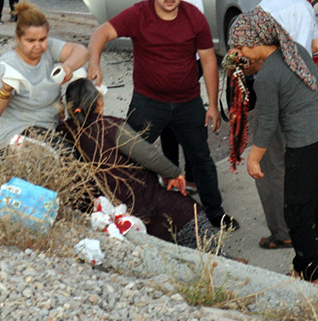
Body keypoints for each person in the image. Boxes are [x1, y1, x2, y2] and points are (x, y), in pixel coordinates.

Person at [88, 0, 237, 230]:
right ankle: (127, 208)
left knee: (201, 158)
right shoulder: (138, 14)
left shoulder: (194, 18)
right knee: (130, 156)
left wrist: (213, 104)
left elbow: (209, 60)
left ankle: (216, 214)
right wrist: (95, 63)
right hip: (147, 103)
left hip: (188, 103)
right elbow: (102, 33)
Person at [228, 8, 318, 283]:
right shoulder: (295, 52)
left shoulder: (268, 75)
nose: (240, 51)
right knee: (315, 207)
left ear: (257, 40)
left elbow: (267, 124)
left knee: (295, 211)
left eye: (242, 45)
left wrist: (253, 159)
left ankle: (312, 277)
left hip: (308, 143)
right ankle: (302, 266)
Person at [62, 78, 220, 248]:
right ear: (98, 102)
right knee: (187, 210)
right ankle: (217, 256)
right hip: (135, 197)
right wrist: (174, 173)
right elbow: (149, 156)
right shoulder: (110, 126)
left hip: (103, 201)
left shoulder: (65, 130)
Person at [247, 0, 318, 249]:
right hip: (306, 91)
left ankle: (282, 231)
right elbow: (317, 46)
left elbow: (254, 61)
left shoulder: (258, 16)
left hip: (276, 92)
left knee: (269, 163)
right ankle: (306, 221)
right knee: (299, 159)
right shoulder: (304, 6)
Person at [0, 0, 88, 153]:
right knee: (66, 154)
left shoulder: (49, 49)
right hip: (16, 133)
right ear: (18, 38)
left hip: (48, 128)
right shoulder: (7, 65)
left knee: (89, 146)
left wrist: (68, 66)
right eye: (30, 41)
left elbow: (82, 51)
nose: (38, 45)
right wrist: (5, 90)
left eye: (42, 39)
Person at [151, 0, 203, 183]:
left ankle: (179, 174)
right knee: (173, 123)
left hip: (182, 63)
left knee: (176, 122)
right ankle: (180, 173)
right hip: (189, 61)